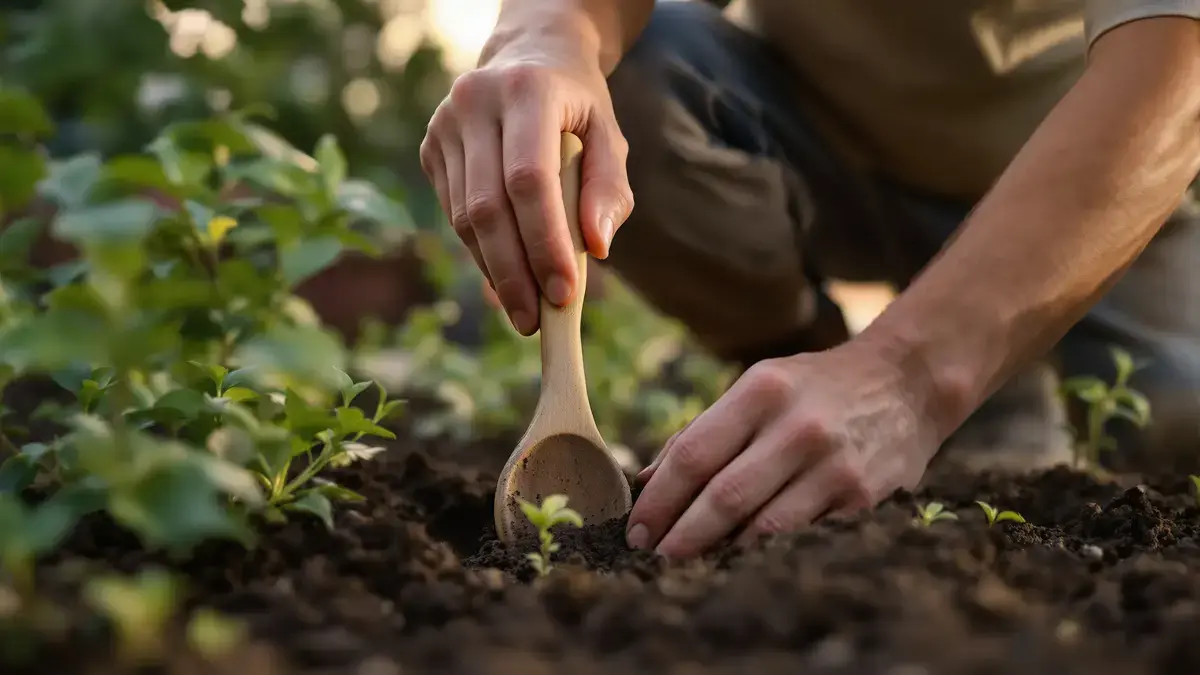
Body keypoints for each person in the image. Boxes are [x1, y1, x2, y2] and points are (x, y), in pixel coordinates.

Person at [419, 0, 1200, 558]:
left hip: (1087, 185)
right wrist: (544, 37)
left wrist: (910, 377)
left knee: (1174, 433)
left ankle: (983, 367)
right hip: (814, 147)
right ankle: (797, 371)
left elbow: (1180, 71)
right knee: (635, 83)